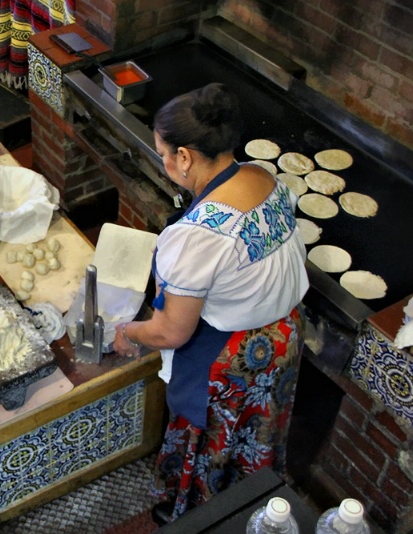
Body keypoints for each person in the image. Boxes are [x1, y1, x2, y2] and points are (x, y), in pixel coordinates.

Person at [112, 83, 309, 522]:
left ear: (185, 157)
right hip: (283, 338)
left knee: (210, 447)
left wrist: (128, 332)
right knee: (252, 441)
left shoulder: (199, 235)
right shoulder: (262, 177)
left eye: (164, 152)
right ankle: (253, 509)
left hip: (231, 358)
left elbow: (171, 330)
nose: (163, 161)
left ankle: (200, 518)